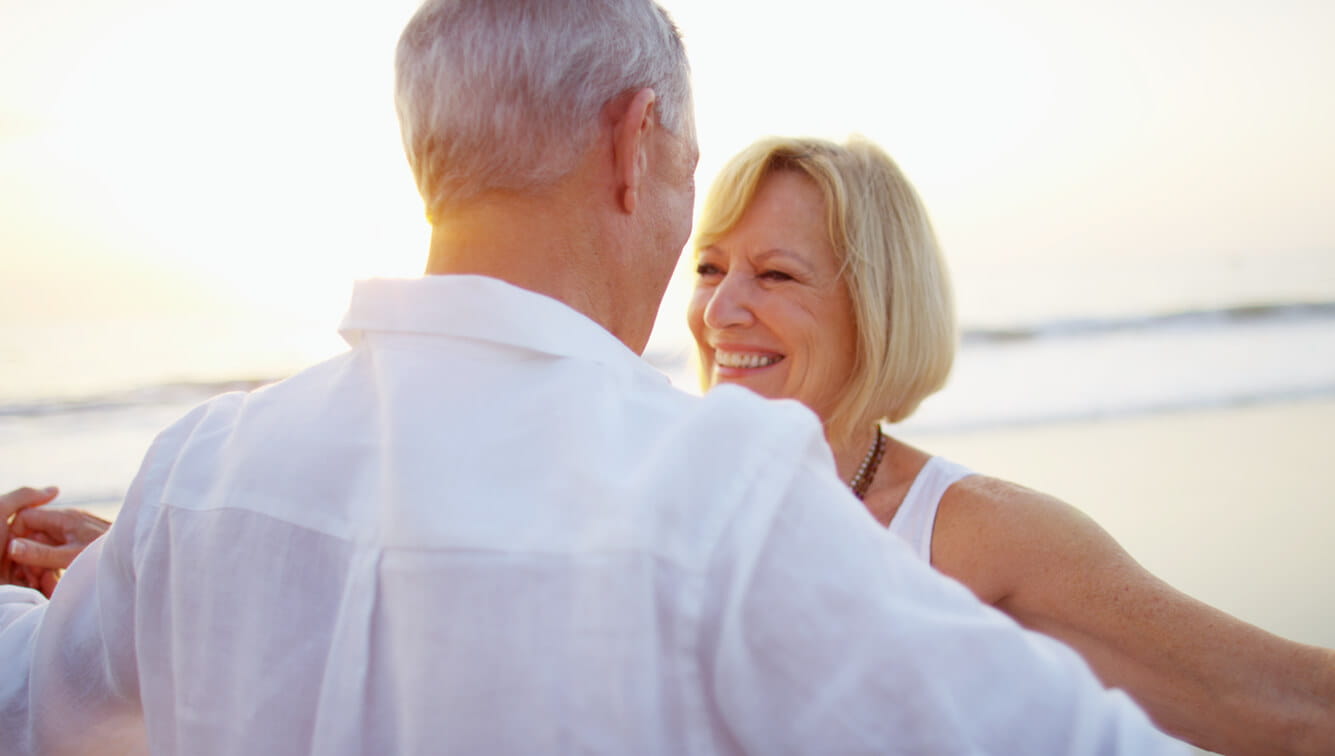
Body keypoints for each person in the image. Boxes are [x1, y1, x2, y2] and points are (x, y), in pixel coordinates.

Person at [0, 1, 1187, 753]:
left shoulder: (198, 477)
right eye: (686, 172)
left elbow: (29, 705)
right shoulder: (717, 495)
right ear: (633, 143)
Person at [687, 134, 1335, 755]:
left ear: (877, 308)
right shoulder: (657, 498)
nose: (718, 311)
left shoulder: (975, 535)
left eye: (774, 274)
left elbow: (1296, 710)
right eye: (709, 268)